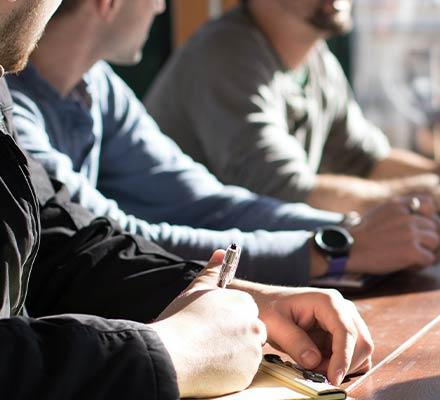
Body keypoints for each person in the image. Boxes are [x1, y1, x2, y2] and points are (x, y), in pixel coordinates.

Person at [0, 1, 373, 397]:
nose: (162, 5)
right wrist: (172, 350)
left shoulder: (77, 86)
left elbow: (61, 242)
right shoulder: (224, 52)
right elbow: (276, 181)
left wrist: (226, 296)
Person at [9, 0, 440, 287]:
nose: (161, 6)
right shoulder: (14, 113)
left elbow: (205, 201)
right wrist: (334, 249)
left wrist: (344, 229)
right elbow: (117, 241)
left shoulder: (96, 85)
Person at [145, 0, 440, 215]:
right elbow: (285, 193)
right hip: (188, 276)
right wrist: (426, 194)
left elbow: (365, 159)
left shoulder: (314, 56)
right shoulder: (225, 54)